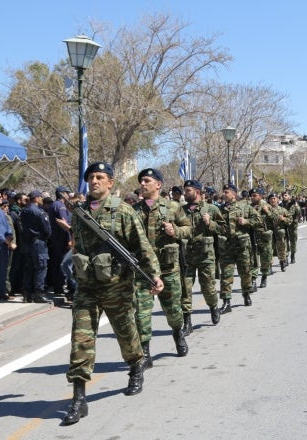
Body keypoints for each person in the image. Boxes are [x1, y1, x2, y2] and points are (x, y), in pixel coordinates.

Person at [63, 161, 164, 425]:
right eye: (91, 178)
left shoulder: (124, 211)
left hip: (117, 285)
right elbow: (77, 247)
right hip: (86, 286)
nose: (94, 181)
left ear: (110, 182)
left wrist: (154, 275)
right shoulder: (79, 212)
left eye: (100, 177)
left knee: (125, 332)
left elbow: (142, 247)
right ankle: (78, 399)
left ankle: (135, 367)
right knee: (80, 340)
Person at [133, 168, 191, 368]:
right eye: (141, 180)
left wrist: (174, 230)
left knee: (173, 310)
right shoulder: (134, 210)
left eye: (147, 180)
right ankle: (145, 352)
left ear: (158, 184)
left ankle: (178, 335)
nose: (142, 184)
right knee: (141, 313)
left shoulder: (173, 207)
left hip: (168, 268)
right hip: (143, 270)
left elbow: (188, 229)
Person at [182, 179, 226, 328]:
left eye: (188, 190)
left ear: (198, 192)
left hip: (206, 256)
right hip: (187, 256)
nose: (185, 193)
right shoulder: (181, 211)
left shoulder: (211, 209)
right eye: (185, 190)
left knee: (207, 287)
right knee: (185, 289)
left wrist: (210, 223)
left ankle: (213, 307)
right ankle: (187, 322)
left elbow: (224, 229)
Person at [217, 183, 263, 314]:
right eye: (223, 192)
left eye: (227, 192)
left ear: (234, 194)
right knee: (226, 274)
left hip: (242, 247)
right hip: (226, 247)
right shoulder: (219, 209)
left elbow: (259, 220)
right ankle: (226, 302)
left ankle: (246, 293)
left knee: (245, 272)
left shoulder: (245, 207)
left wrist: (246, 222)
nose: (224, 194)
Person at [20, 190, 52, 303]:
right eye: (41, 197)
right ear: (36, 198)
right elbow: (47, 230)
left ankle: (26, 294)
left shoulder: (24, 211)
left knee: (28, 267)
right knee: (41, 267)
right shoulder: (40, 212)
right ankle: (38, 293)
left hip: (27, 242)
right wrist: (47, 236)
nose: (42, 200)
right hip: (38, 242)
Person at [48, 186, 73, 298]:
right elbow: (64, 224)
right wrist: (69, 239)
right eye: (67, 193)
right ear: (62, 194)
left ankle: (58, 287)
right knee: (64, 264)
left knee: (58, 263)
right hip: (62, 239)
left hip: (57, 239)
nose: (68, 195)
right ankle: (61, 287)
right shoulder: (60, 206)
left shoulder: (54, 204)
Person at [249, 188, 273, 287]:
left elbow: (274, 220)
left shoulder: (267, 206)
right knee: (253, 259)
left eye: (255, 195)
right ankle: (253, 280)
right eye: (251, 195)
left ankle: (264, 276)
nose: (252, 197)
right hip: (252, 236)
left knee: (265, 259)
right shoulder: (249, 207)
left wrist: (267, 212)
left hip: (264, 236)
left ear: (260, 196)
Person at [267, 193, 292, 272]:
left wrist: (284, 219)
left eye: (274, 198)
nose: (273, 200)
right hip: (269, 233)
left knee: (281, 249)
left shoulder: (282, 210)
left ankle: (282, 263)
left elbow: (290, 220)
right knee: (269, 250)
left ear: (277, 199)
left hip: (279, 233)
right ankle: (269, 267)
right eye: (271, 199)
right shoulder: (265, 209)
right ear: (269, 200)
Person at [281, 191, 301, 264]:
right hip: (284, 225)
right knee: (284, 242)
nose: (284, 196)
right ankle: (285, 257)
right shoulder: (281, 204)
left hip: (293, 225)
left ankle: (293, 255)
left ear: (289, 196)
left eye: (285, 195)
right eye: (283, 195)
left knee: (293, 241)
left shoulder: (294, 204)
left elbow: (299, 213)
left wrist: (296, 206)